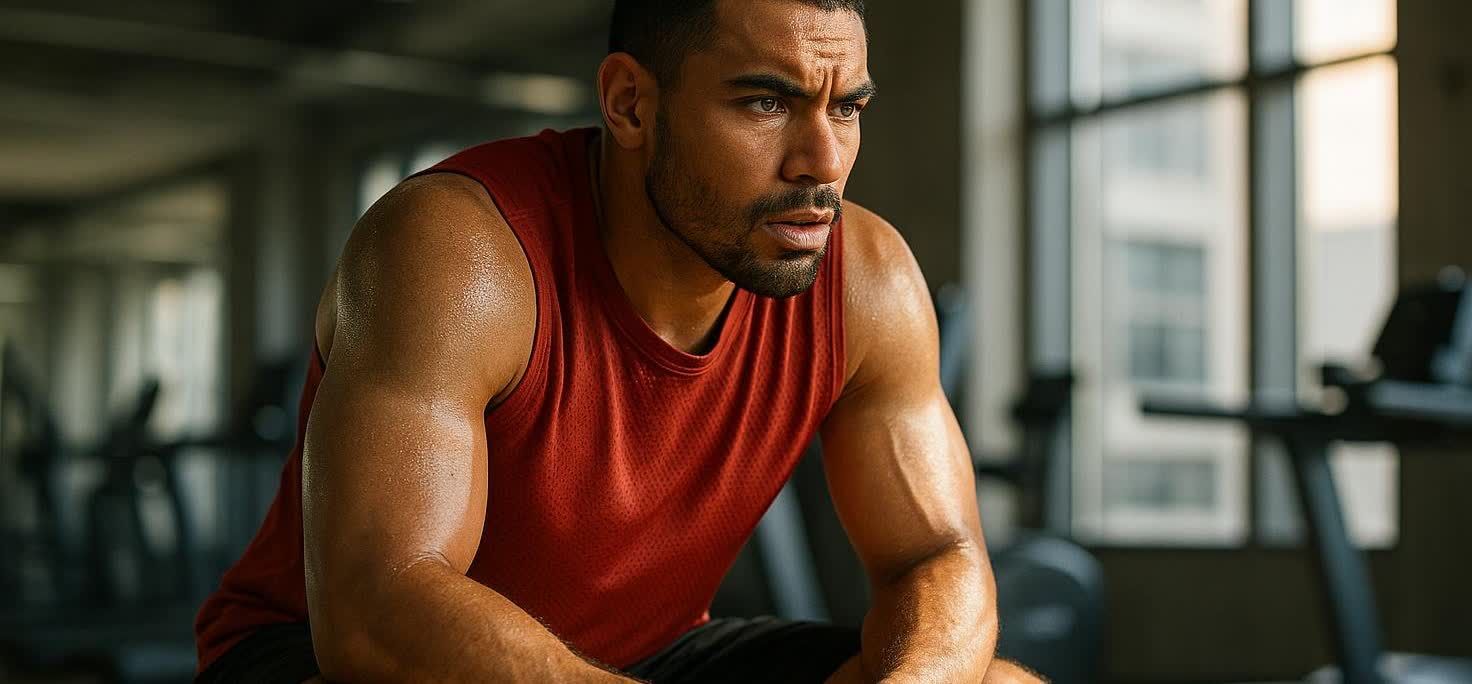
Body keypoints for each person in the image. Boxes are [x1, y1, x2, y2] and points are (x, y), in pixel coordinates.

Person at [194, 0, 1041, 681]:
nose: (821, 161)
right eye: (765, 102)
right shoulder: (458, 250)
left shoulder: (868, 279)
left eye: (846, 107)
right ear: (631, 102)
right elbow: (381, 613)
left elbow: (938, 554)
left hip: (647, 654)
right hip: (326, 657)